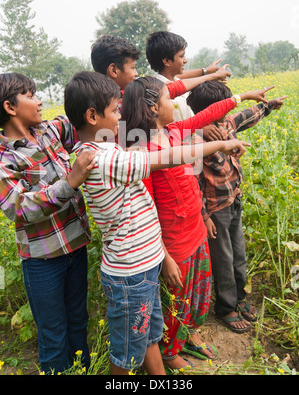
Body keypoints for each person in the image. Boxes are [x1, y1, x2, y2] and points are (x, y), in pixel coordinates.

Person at [63, 71, 247, 375]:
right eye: (114, 110)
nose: (120, 114)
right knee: (126, 353)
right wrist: (219, 145)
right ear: (93, 116)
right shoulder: (105, 159)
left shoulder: (107, 150)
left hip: (144, 259)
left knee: (148, 334)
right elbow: (168, 158)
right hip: (130, 271)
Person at [121, 76, 269, 370]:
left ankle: (188, 332)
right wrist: (165, 259)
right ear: (152, 108)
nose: (173, 102)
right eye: (167, 98)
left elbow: (206, 115)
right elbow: (146, 210)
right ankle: (170, 349)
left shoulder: (175, 131)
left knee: (197, 293)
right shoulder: (142, 154)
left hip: (196, 229)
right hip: (174, 241)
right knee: (176, 299)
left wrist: (243, 96)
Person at [0, 73, 97, 374]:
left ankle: (82, 370)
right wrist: (70, 182)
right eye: (31, 95)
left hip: (75, 245)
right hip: (43, 260)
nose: (40, 100)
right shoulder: (5, 157)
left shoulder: (50, 130)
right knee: (53, 333)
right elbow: (19, 208)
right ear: (10, 107)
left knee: (79, 320)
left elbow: (89, 116)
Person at [187, 80, 287, 333]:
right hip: (215, 208)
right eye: (223, 109)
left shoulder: (225, 124)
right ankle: (226, 307)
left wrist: (268, 107)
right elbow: (193, 182)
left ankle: (240, 299)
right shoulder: (195, 139)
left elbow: (243, 117)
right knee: (223, 258)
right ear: (208, 112)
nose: (226, 116)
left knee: (239, 254)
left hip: (234, 198)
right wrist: (204, 215)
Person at [146, 30, 231, 122]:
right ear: (166, 61)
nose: (185, 60)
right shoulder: (155, 91)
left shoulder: (179, 82)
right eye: (181, 56)